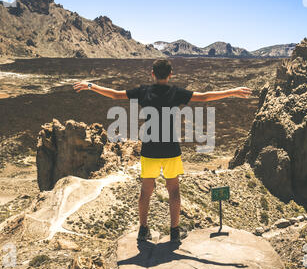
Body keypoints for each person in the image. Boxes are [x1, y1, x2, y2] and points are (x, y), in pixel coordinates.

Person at [73, 59, 252, 243]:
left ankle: (143, 230)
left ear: (152, 73)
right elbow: (205, 97)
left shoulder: (144, 91)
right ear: (170, 74)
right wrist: (233, 91)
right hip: (170, 149)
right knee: (174, 191)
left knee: (146, 191)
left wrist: (90, 86)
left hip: (150, 149)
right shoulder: (175, 93)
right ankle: (174, 232)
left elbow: (115, 95)